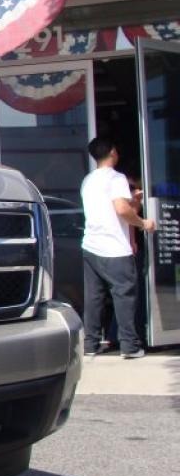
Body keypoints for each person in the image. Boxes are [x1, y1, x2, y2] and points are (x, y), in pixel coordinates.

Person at [80, 138, 155, 359]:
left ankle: (90, 344)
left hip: (91, 245)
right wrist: (144, 223)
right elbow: (121, 210)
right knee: (124, 295)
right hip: (114, 247)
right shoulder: (116, 178)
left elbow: (117, 209)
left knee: (94, 297)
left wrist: (135, 202)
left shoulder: (88, 180)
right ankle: (130, 346)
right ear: (113, 152)